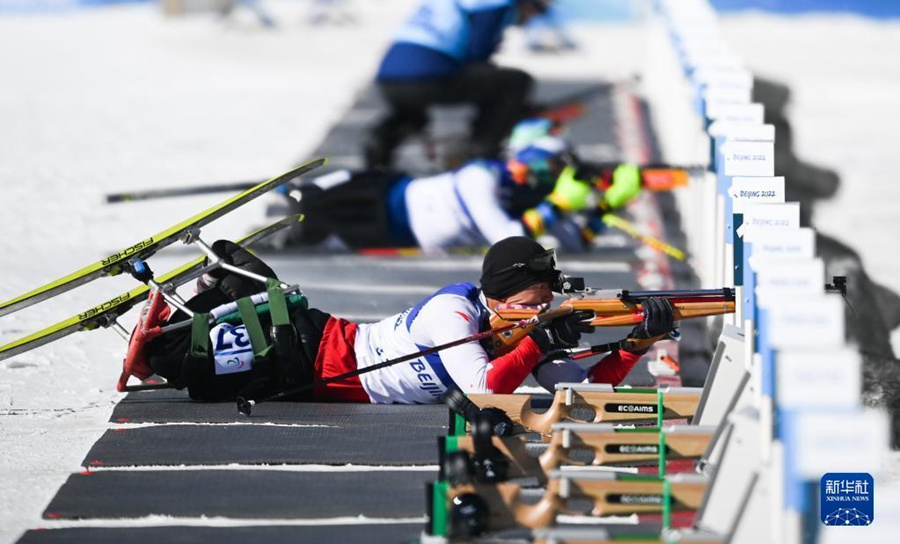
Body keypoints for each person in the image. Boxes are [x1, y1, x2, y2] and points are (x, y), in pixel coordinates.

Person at [127, 236, 675, 403]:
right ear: (501, 296)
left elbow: (575, 394)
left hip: (309, 372)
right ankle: (204, 288)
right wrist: (539, 342)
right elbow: (485, 387)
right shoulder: (452, 313)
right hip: (311, 351)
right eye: (530, 303)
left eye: (543, 303)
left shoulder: (520, 333)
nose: (537, 314)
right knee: (179, 360)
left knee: (198, 372)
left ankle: (218, 293)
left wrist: (633, 346)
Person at [278, 135, 643, 254]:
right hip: (387, 194)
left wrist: (606, 205)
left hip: (394, 232)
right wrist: (559, 205)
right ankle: (298, 192)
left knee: (319, 233)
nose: (544, 178)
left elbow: (579, 242)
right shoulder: (480, 175)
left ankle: (286, 237)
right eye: (545, 168)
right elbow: (507, 237)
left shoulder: (536, 205)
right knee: (320, 199)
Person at [363, 0, 557, 169]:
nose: (532, 16)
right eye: (538, 7)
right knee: (514, 82)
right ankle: (482, 153)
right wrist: (512, 110)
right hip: (429, 77)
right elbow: (478, 56)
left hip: (389, 78)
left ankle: (380, 148)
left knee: (414, 114)